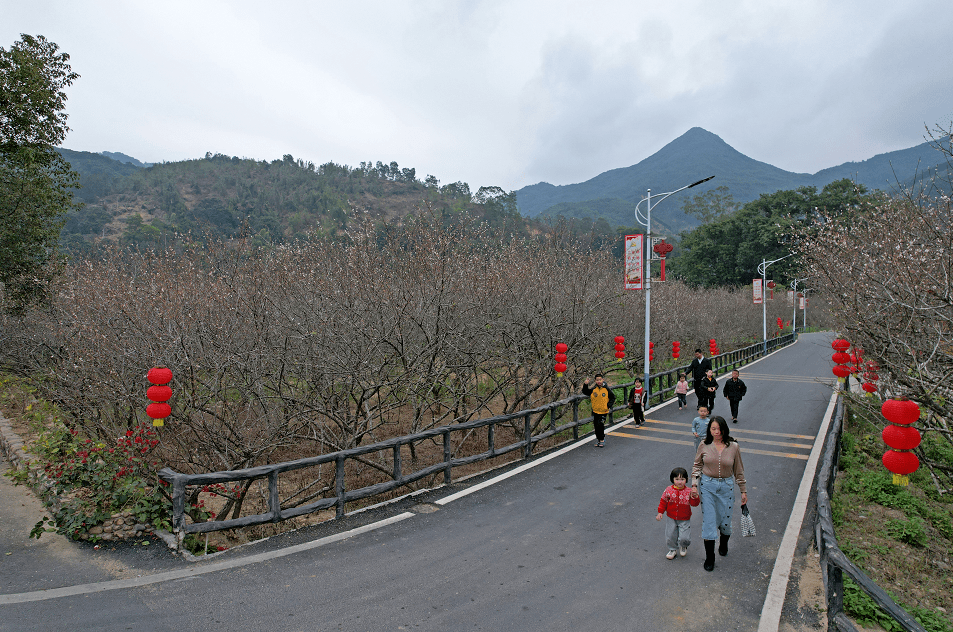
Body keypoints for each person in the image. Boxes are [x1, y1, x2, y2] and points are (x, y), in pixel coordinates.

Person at [691, 416, 748, 572]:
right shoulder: (704, 444)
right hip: (707, 486)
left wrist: (743, 490)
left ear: (724, 429)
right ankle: (710, 558)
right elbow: (697, 466)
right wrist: (694, 485)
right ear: (709, 430)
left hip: (727, 486)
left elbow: (739, 470)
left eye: (719, 429)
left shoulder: (734, 447)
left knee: (725, 522)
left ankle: (724, 542)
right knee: (709, 521)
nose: (716, 432)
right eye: (713, 429)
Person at [656, 467, 700, 559]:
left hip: (684, 518)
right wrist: (660, 512)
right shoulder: (668, 490)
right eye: (677, 479)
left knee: (685, 537)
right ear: (672, 479)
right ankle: (672, 549)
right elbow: (663, 501)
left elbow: (694, 504)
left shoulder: (688, 491)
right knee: (670, 534)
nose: (679, 482)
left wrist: (695, 496)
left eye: (682, 479)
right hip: (671, 517)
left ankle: (684, 546)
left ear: (686, 480)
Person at [582, 374, 616, 448]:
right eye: (597, 380)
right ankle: (599, 439)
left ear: (603, 380)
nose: (599, 381)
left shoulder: (606, 389)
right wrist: (585, 384)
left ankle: (602, 440)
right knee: (596, 426)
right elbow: (585, 392)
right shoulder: (594, 389)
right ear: (595, 381)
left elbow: (613, 397)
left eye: (600, 380)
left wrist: (608, 405)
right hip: (595, 411)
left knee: (600, 425)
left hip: (603, 411)